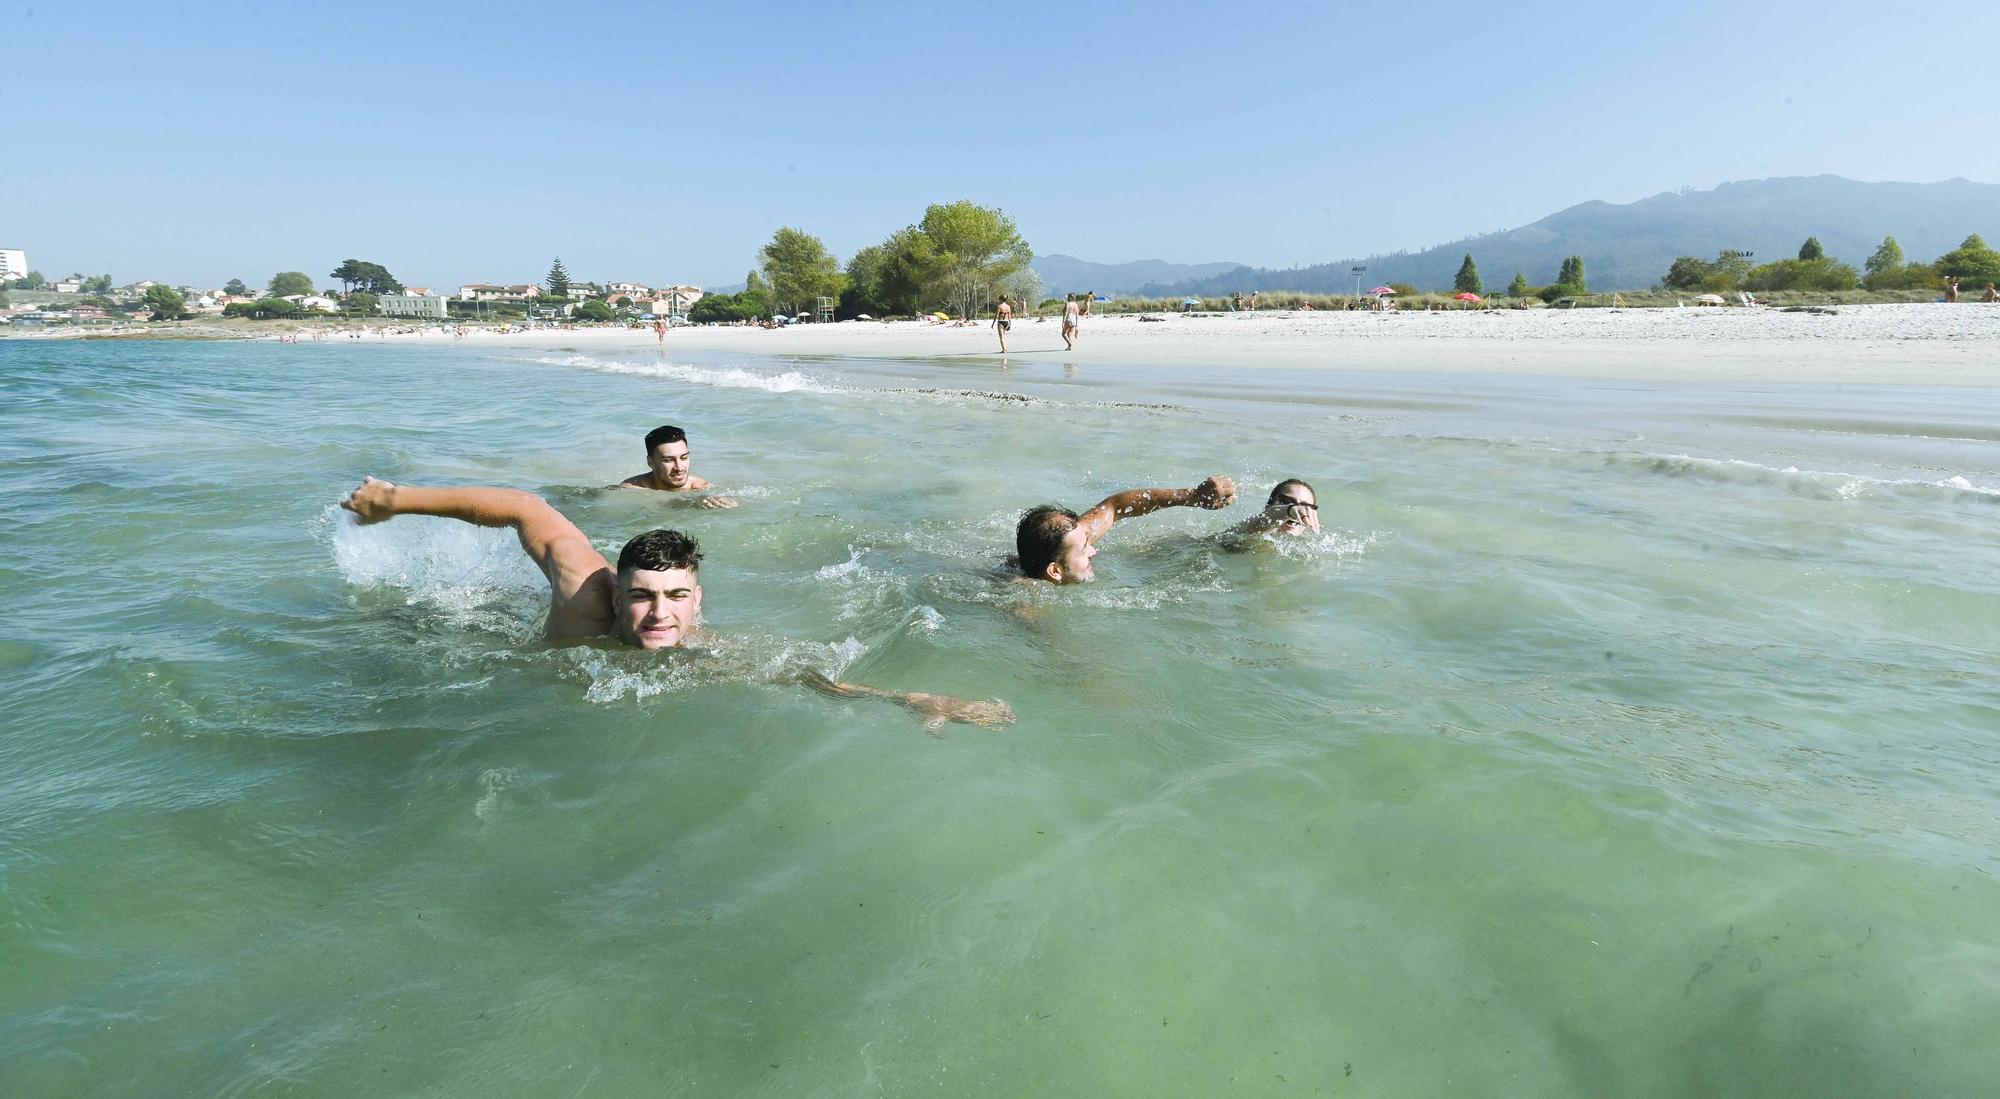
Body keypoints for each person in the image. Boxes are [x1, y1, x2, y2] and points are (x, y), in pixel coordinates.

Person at [339, 477, 1014, 731]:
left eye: (674, 598)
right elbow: (524, 506)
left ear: (697, 603)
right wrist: (394, 501)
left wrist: (908, 698)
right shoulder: (585, 595)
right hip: (508, 651)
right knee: (406, 626)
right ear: (616, 590)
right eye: (640, 597)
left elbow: (809, 677)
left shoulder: (706, 649)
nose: (659, 614)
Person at [1012, 476, 1237, 584]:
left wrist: (1193, 496)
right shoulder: (1026, 595)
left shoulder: (1068, 537)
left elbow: (1116, 506)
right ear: (1055, 571)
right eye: (1083, 549)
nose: (1094, 551)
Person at [617, 424, 739, 508]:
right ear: (650, 462)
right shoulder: (631, 488)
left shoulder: (702, 488)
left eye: (684, 458)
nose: (679, 468)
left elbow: (734, 504)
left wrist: (727, 503)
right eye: (668, 460)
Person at [1227, 479, 1322, 542]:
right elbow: (1260, 522)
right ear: (1269, 504)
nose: (1299, 510)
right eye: (1287, 501)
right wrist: (1288, 510)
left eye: (1306, 506)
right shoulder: (1247, 530)